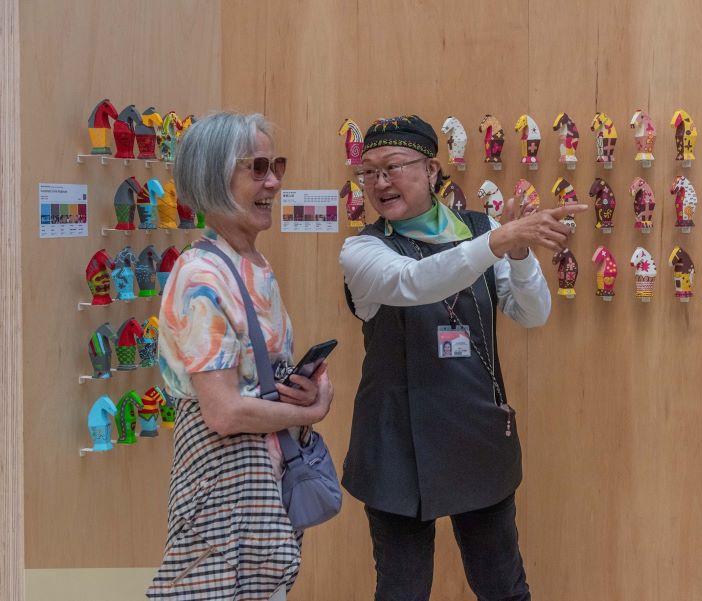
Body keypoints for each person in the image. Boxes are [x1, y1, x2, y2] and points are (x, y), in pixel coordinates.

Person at [339, 115, 586, 601]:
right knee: (402, 591)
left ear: (431, 170)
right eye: (369, 172)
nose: (380, 182)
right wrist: (498, 242)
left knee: (503, 588)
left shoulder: (481, 229)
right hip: (396, 447)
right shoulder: (362, 249)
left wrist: (519, 255)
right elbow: (414, 281)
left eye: (393, 166)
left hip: (477, 436)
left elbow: (532, 314)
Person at [147, 112, 334, 601]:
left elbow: (258, 377)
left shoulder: (251, 264)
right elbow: (225, 412)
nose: (273, 181)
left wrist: (305, 387)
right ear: (214, 178)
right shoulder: (202, 278)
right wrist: (309, 411)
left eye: (277, 165)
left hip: (259, 490)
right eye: (257, 167)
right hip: (224, 493)